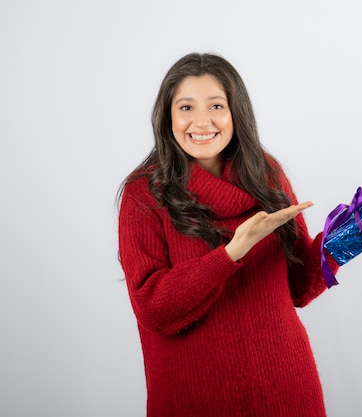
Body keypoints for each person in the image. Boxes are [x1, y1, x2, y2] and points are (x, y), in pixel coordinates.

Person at [117, 52, 339, 417]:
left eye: (216, 105)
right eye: (186, 107)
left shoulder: (267, 175)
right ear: (167, 116)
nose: (201, 121)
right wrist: (231, 253)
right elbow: (153, 308)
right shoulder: (145, 193)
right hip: (193, 399)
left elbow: (300, 287)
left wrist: (345, 240)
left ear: (236, 112)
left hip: (287, 391)